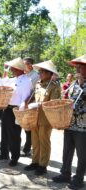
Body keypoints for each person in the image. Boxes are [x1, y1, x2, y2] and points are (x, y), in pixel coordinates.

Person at [52, 55, 86, 190]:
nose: (77, 68)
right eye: (76, 66)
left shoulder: (81, 82)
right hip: (69, 122)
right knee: (67, 151)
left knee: (82, 154)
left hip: (83, 126)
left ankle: (79, 178)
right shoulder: (73, 83)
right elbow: (67, 97)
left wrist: (83, 83)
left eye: (80, 66)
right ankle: (65, 174)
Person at [24, 60, 61, 175]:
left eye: (42, 71)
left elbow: (54, 103)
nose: (40, 73)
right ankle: (35, 161)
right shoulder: (38, 84)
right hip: (35, 117)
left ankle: (43, 165)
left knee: (44, 141)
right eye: (39, 71)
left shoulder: (54, 86)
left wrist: (40, 104)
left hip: (46, 118)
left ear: (49, 73)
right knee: (35, 141)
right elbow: (33, 98)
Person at [0, 57, 32, 167]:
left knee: (14, 135)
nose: (11, 70)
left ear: (18, 69)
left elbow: (25, 98)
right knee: (4, 132)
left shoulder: (26, 81)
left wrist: (21, 112)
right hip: (8, 108)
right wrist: (5, 70)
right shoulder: (13, 79)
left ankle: (15, 157)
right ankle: (4, 153)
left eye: (12, 68)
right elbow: (2, 82)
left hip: (17, 110)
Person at [21, 57, 40, 157]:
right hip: (23, 104)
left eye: (26, 64)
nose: (24, 65)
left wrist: (27, 102)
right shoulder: (24, 75)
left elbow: (35, 91)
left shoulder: (35, 75)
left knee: (29, 128)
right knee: (24, 127)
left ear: (30, 64)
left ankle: (27, 149)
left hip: (30, 104)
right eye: (23, 64)